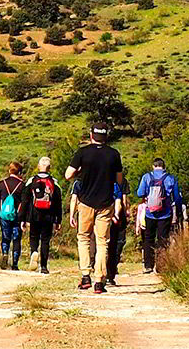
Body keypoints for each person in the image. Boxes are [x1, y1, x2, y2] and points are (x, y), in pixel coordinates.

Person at [65, 121, 123, 295]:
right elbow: (119, 180)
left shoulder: (83, 152)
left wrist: (81, 171)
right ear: (106, 136)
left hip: (85, 202)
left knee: (83, 238)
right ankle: (99, 280)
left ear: (91, 135)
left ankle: (85, 276)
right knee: (102, 242)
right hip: (105, 203)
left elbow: (68, 175)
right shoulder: (113, 154)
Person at [136, 158, 183, 274]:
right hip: (165, 213)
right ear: (164, 166)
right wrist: (178, 212)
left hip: (150, 213)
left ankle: (148, 265)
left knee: (148, 239)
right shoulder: (171, 178)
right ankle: (161, 265)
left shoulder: (146, 177)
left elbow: (140, 193)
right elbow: (177, 197)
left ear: (153, 166)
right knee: (163, 239)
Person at [20, 157, 62, 274]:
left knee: (33, 236)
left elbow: (24, 201)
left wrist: (22, 218)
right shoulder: (54, 182)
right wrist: (58, 220)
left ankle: (34, 251)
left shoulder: (31, 181)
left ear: (39, 166)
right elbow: (58, 203)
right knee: (45, 240)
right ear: (49, 168)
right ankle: (43, 266)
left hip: (34, 215)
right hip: (49, 216)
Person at [0, 161, 25, 270]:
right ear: (19, 172)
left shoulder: (2, 183)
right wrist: (24, 218)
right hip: (17, 216)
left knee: (5, 237)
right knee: (16, 239)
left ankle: (5, 254)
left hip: (4, 215)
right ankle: (15, 264)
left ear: (9, 170)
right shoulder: (22, 185)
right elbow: (24, 203)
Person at [106, 179, 129, 286]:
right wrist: (123, 213)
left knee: (102, 244)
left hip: (100, 216)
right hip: (117, 217)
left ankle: (101, 271)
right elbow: (122, 200)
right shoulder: (121, 181)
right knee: (115, 245)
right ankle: (110, 273)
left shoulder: (98, 178)